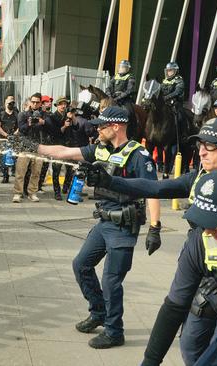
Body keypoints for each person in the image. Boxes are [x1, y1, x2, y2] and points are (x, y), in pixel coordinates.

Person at [87, 118, 217, 365]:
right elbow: (155, 187)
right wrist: (109, 181)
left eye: (211, 145)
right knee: (190, 346)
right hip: (204, 268)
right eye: (199, 145)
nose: (202, 151)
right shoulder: (199, 181)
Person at [36, 106, 161, 348]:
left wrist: (155, 227)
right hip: (104, 222)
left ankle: (115, 332)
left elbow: (153, 192)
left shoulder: (138, 155)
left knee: (111, 281)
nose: (97, 130)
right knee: (81, 265)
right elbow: (65, 152)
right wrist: (35, 148)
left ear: (116, 127)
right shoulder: (100, 149)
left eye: (101, 126)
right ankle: (98, 312)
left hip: (124, 226)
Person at [138, 170, 217, 366]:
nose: (210, 231)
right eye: (204, 221)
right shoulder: (202, 242)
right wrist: (149, 362)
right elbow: (175, 306)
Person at [13, 93, 46, 203]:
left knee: (36, 172)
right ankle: (18, 193)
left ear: (40, 103)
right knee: (20, 171)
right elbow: (21, 129)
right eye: (33, 102)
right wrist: (29, 124)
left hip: (38, 147)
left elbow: (50, 128)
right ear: (30, 102)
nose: (35, 104)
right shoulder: (23, 114)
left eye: (37, 102)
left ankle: (32, 192)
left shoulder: (44, 114)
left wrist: (43, 122)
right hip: (25, 146)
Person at [49, 96, 73, 200]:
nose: (63, 106)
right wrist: (64, 126)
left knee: (70, 168)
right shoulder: (53, 117)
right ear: (57, 105)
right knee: (56, 170)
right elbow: (55, 133)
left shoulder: (69, 116)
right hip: (57, 146)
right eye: (61, 104)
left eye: (65, 104)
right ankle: (57, 192)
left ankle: (66, 187)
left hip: (68, 146)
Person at [0, 95, 18, 183]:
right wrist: (5, 135)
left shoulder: (16, 114)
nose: (11, 104)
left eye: (13, 102)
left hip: (13, 138)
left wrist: (13, 135)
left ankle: (14, 171)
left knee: (14, 156)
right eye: (9, 103)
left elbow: (19, 126)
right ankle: (5, 175)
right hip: (3, 139)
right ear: (5, 103)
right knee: (4, 157)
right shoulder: (1, 114)